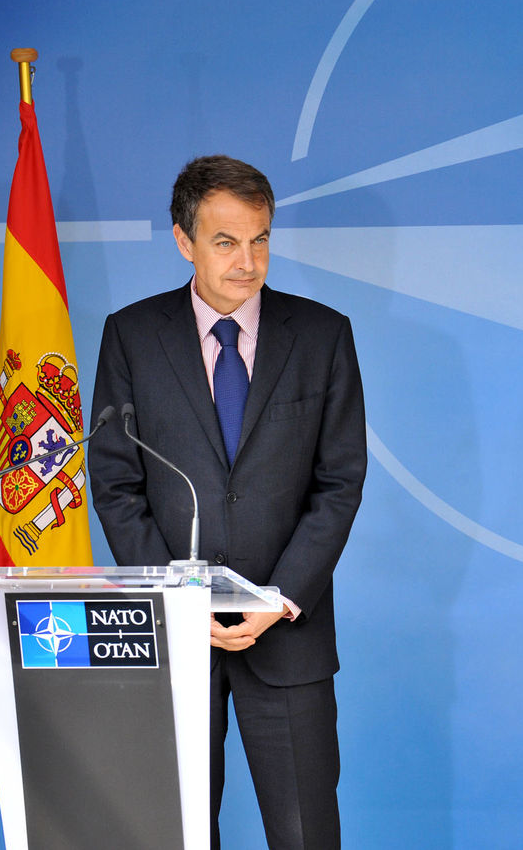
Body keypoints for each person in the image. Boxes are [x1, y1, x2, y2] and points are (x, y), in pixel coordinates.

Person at [89, 155, 367, 849]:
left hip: (289, 636)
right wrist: (177, 599)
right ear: (184, 241)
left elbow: (340, 482)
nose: (248, 261)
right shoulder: (130, 336)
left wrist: (281, 597)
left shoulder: (324, 335)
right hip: (176, 638)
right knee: (174, 832)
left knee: (306, 836)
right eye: (225, 242)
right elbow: (116, 483)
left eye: (260, 239)